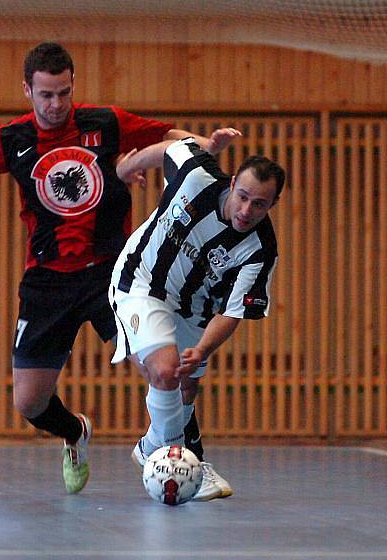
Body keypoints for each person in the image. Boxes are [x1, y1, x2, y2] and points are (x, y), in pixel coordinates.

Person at [0, 41, 205, 494]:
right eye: (46, 95)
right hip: (47, 282)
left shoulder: (105, 122)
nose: (55, 104)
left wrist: (202, 147)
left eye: (63, 93)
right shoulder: (12, 139)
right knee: (30, 403)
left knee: (165, 369)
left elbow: (170, 135)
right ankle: (75, 433)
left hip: (112, 276)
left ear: (73, 87)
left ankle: (184, 456)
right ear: (28, 91)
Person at [109, 129, 285, 501]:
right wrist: (128, 167)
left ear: (272, 205)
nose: (245, 211)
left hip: (196, 309)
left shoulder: (260, 249)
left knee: (186, 385)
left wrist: (203, 349)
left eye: (259, 205)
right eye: (243, 197)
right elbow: (171, 146)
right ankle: (179, 461)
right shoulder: (195, 175)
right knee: (165, 370)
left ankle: (152, 446)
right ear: (232, 182)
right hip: (143, 282)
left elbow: (234, 311)